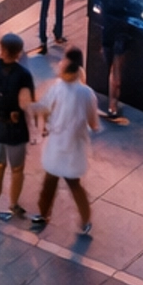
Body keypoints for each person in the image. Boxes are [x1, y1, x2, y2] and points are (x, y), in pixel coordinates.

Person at [30, 47, 98, 236]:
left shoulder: (59, 87)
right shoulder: (86, 93)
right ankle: (85, 221)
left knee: (52, 182)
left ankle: (44, 214)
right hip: (73, 145)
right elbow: (93, 122)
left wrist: (38, 116)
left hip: (58, 144)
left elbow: (44, 107)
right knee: (72, 184)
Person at [0, 34, 35, 224]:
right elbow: (27, 102)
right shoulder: (24, 75)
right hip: (15, 127)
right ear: (19, 52)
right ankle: (14, 203)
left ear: (2, 49)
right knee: (17, 168)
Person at [96, 0, 133, 122]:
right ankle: (113, 105)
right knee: (116, 71)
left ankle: (112, 105)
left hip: (107, 34)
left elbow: (96, 1)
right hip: (121, 35)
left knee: (110, 66)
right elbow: (135, 8)